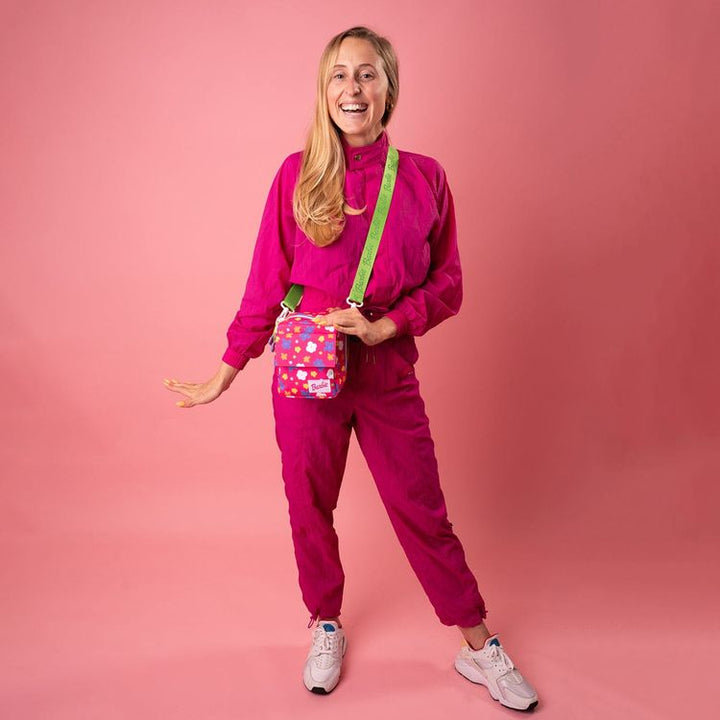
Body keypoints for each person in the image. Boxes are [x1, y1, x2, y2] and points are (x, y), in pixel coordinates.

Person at [163, 26, 539, 712]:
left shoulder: (425, 177)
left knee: (422, 509)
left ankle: (477, 645)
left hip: (386, 371)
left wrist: (385, 326)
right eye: (338, 75)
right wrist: (226, 369)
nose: (352, 88)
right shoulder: (296, 173)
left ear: (389, 87)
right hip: (306, 375)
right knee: (308, 504)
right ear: (323, 90)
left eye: (366, 74)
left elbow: (448, 283)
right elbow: (265, 283)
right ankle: (326, 623)